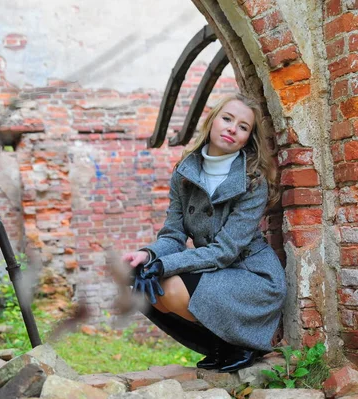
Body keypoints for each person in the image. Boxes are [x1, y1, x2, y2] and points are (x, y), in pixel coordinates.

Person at [122, 93, 287, 373]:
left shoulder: (252, 180)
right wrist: (147, 255)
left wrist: (162, 265)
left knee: (170, 286)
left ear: (248, 138)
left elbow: (225, 251)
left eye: (243, 127)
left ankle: (242, 344)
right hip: (213, 272)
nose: (232, 128)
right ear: (212, 121)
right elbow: (173, 235)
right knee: (138, 282)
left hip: (253, 277)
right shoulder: (184, 174)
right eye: (227, 118)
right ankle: (219, 345)